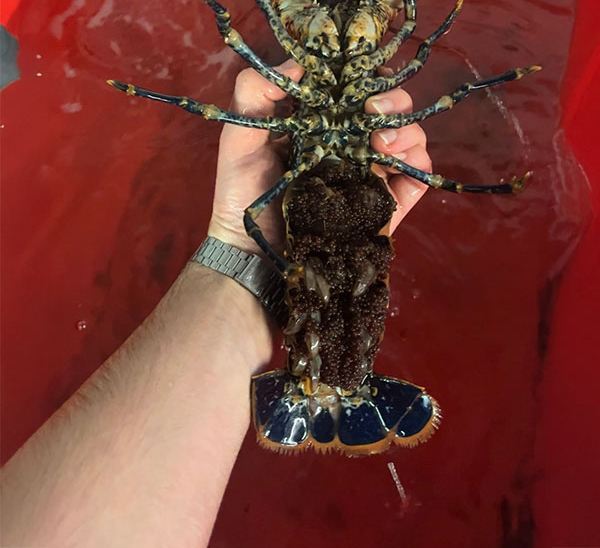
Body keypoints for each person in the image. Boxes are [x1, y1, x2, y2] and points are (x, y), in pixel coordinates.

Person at [1, 59, 431, 548]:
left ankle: (330, 381)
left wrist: (239, 255)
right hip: (330, 238)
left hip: (315, 246)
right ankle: (337, 383)